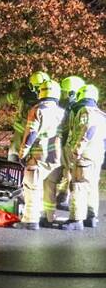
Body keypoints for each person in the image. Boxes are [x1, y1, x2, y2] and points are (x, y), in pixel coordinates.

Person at [19, 80, 65, 230]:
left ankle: (30, 221)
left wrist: (23, 152)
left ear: (41, 92)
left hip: (39, 157)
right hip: (56, 158)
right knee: (50, 187)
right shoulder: (62, 112)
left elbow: (31, 134)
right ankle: (49, 217)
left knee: (32, 187)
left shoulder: (37, 110)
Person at [65, 83, 105, 230]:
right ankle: (91, 217)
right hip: (97, 155)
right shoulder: (101, 114)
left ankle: (76, 220)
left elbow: (88, 129)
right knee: (92, 185)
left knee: (79, 185)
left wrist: (77, 150)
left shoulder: (85, 111)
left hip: (85, 154)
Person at [55, 75, 85, 208]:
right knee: (67, 169)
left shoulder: (68, 107)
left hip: (65, 142)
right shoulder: (77, 107)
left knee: (67, 169)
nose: (63, 94)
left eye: (64, 91)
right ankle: (63, 194)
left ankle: (63, 194)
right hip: (67, 142)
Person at [9, 71, 50, 162]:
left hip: (33, 135)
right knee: (14, 157)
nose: (39, 91)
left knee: (33, 161)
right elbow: (6, 98)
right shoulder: (24, 94)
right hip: (23, 134)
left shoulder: (47, 100)